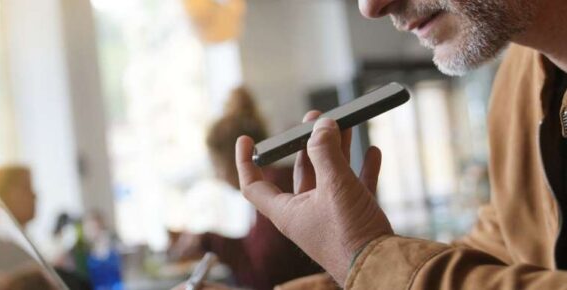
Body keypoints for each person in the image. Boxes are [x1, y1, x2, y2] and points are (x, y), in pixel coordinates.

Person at [230, 0, 567, 289]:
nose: (370, 7)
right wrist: (359, 267)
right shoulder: (515, 88)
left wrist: (364, 258)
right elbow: (501, 250)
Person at [170, 86, 323, 290]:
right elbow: (261, 253)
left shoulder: (276, 187)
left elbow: (265, 276)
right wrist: (205, 240)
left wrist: (212, 242)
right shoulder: (274, 183)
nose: (217, 175)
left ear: (231, 158)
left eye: (216, 165)